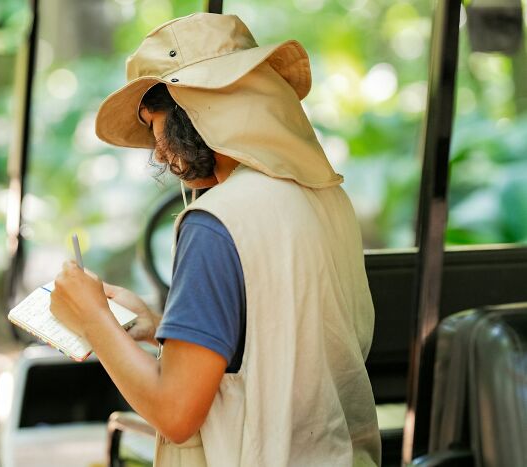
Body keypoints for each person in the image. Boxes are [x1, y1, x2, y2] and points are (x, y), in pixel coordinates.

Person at [50, 12, 381, 466]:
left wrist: (92, 321)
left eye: (153, 123)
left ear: (194, 105)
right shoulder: (328, 199)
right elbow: (280, 343)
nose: (157, 150)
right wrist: (159, 326)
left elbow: (175, 413)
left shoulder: (216, 222)